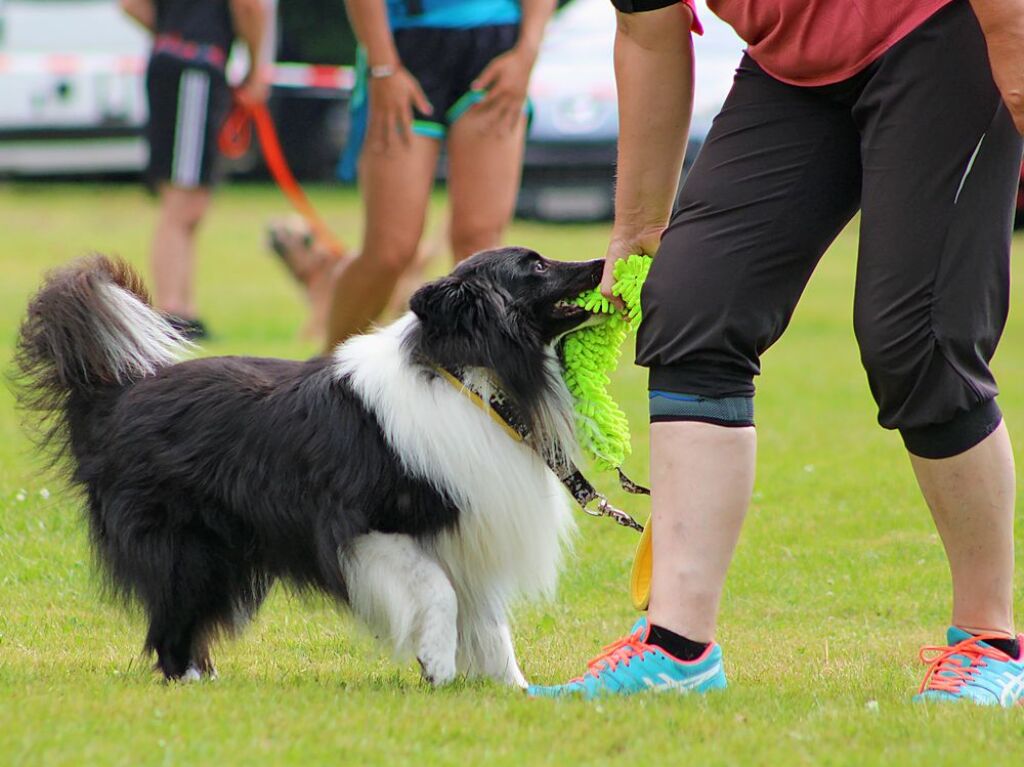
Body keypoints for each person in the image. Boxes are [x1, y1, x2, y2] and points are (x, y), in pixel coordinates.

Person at [529, 0, 1024, 705]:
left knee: (918, 336)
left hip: (942, 28)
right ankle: (678, 649)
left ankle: (989, 643)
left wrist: (1011, 47)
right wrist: (638, 229)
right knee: (694, 302)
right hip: (794, 63)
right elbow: (648, 29)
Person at [272, 0, 556, 349]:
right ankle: (328, 373)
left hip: (495, 43)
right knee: (390, 252)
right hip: (404, 44)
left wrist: (527, 52)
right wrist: (383, 67)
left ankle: (476, 377)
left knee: (480, 241)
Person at [121, 0, 271, 339]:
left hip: (173, 65)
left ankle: (182, 309)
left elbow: (130, 5)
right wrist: (255, 69)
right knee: (183, 200)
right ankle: (173, 311)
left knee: (188, 201)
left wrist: (168, 36)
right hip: (196, 68)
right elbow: (250, 6)